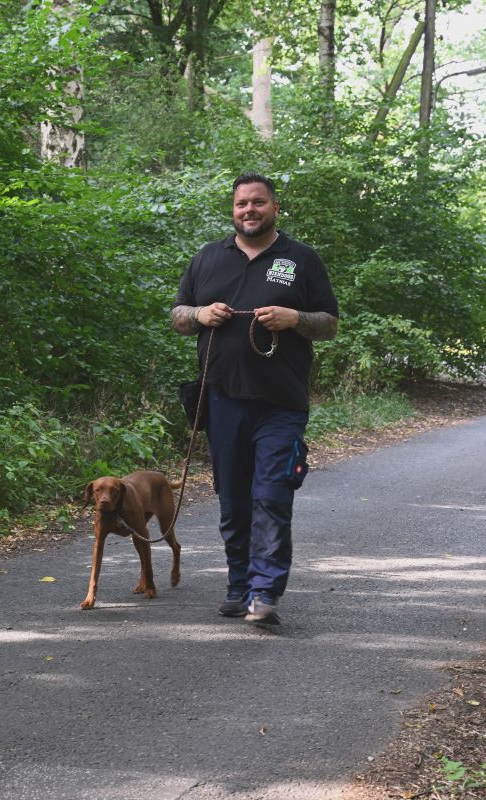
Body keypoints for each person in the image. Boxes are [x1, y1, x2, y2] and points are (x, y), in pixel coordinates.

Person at [171, 172, 339, 626]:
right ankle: (238, 587)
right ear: (233, 210)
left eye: (258, 202)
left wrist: (295, 318)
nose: (249, 210)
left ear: (275, 208)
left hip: (281, 404)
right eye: (242, 203)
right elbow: (178, 315)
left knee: (271, 496)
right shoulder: (208, 257)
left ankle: (264, 593)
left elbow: (329, 324)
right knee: (233, 501)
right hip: (221, 401)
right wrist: (201, 314)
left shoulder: (301, 259)